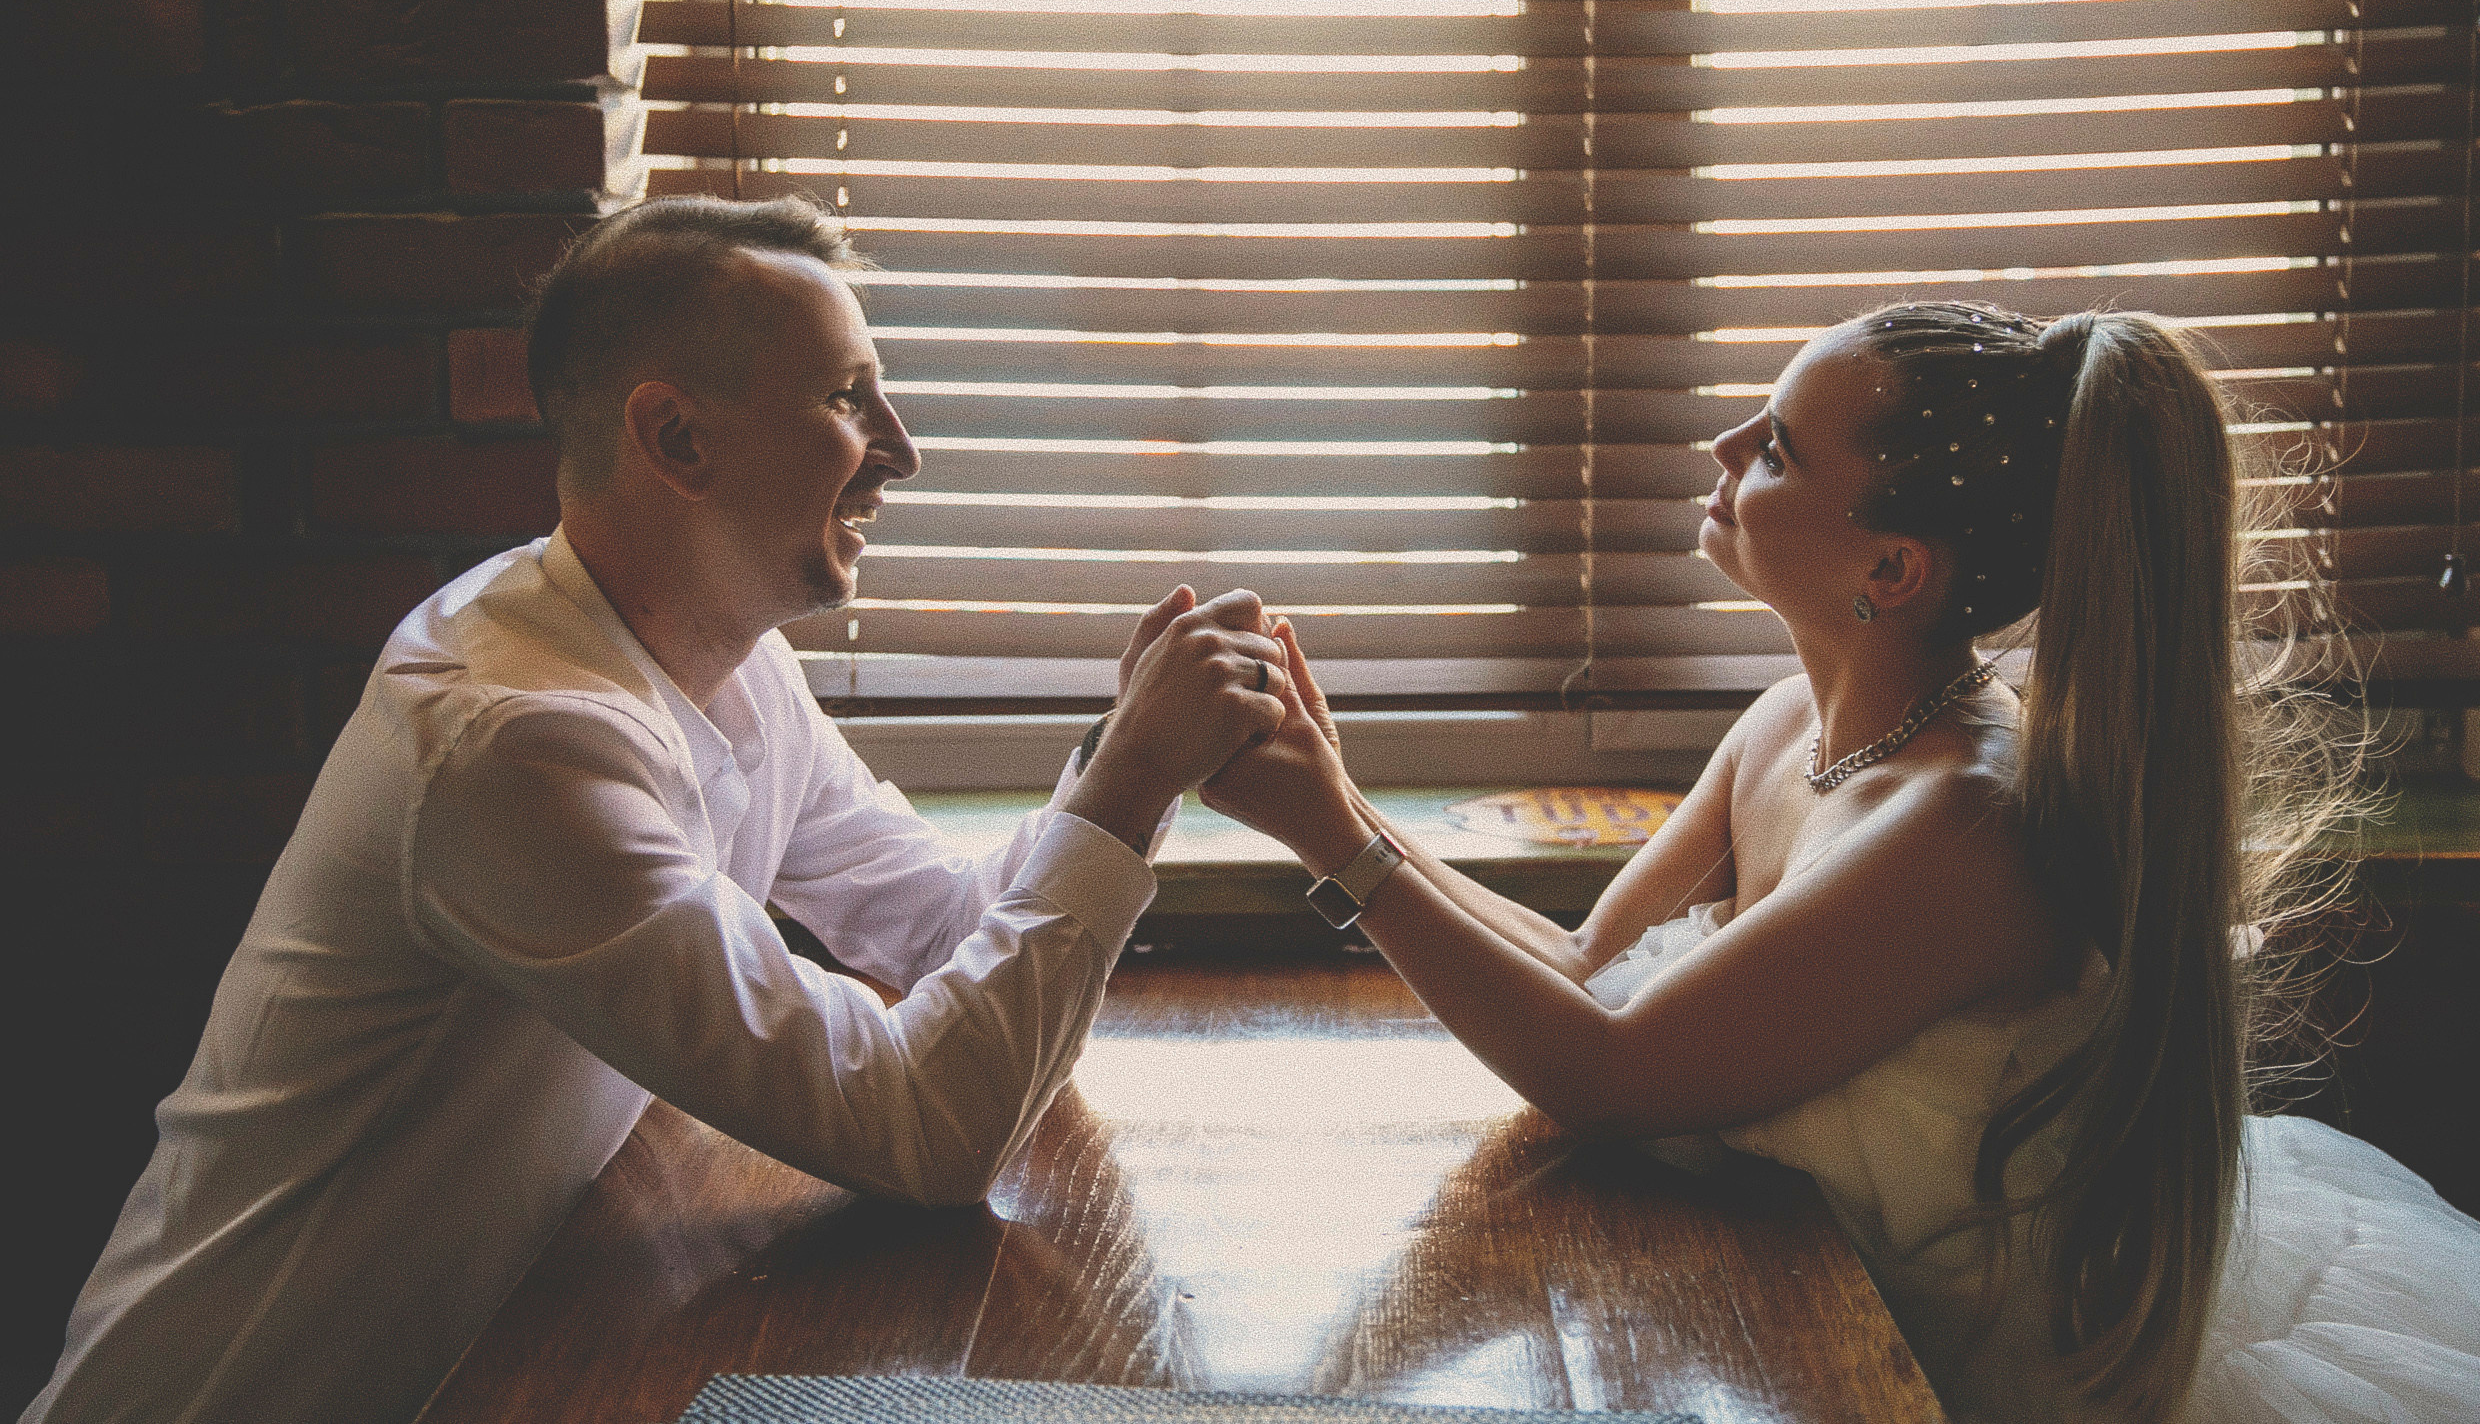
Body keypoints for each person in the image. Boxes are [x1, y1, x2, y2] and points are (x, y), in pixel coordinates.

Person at [24, 196, 1293, 1424]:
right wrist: (1128, 784)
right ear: (677, 440)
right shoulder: (513, 745)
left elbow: (943, 930)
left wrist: (1120, 752)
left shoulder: (728, 659)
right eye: (848, 398)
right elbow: (925, 1132)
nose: (902, 446)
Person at [1203, 302, 2480, 1423]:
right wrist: (1345, 798)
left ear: (1891, 568)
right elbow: (1589, 967)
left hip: (1956, 1372)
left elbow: (1606, 1073)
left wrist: (1331, 840)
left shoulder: (1954, 828)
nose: (1720, 453)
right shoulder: (1785, 726)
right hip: (1801, 1292)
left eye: (1773, 447)